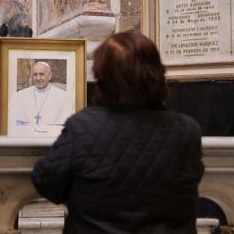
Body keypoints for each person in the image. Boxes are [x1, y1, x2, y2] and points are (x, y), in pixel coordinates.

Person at [31, 31, 204, 234]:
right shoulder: (187, 131)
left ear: (103, 76)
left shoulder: (82, 127)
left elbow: (46, 182)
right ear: (156, 74)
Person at [8, 61, 74, 136]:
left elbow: (66, 129)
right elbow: (14, 127)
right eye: (35, 75)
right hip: (27, 140)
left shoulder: (64, 97)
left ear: (50, 76)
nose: (38, 78)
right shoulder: (19, 96)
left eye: (41, 74)